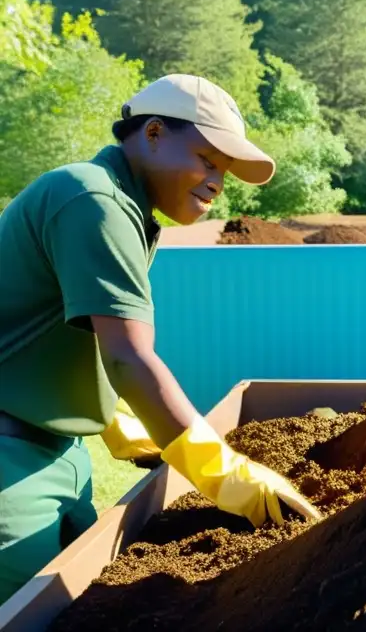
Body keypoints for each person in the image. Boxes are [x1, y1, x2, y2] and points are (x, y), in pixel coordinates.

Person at [0, 74, 322, 606]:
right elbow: (128, 356)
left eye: (225, 170)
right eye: (207, 157)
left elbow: (59, 332)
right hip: (12, 466)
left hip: (59, 450)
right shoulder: (91, 199)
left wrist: (109, 419)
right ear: (152, 133)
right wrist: (222, 473)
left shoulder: (122, 207)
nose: (217, 181)